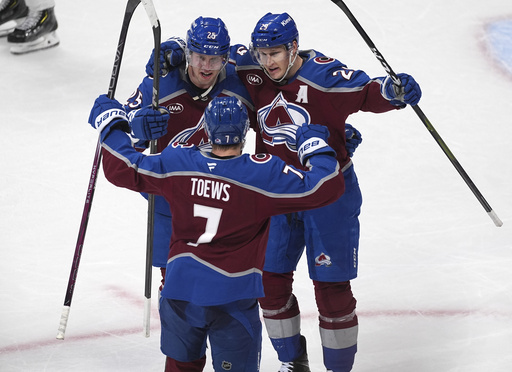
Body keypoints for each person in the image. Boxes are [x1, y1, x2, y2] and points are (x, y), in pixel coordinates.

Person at [88, 94, 346, 372]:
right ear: (245, 132)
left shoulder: (179, 162)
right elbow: (325, 187)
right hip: (233, 299)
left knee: (181, 367)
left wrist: (112, 125)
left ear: (207, 130)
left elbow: (122, 168)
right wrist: (315, 147)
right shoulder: (260, 174)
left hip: (179, 293)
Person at [231, 13, 422, 372]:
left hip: (329, 193)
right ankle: (292, 363)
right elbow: (208, 60)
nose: (268, 61)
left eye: (275, 53)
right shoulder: (250, 70)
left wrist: (393, 91)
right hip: (276, 194)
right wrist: (174, 55)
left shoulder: (323, 76)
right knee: (268, 284)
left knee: (331, 291)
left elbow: (367, 91)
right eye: (262, 53)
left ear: (293, 47)